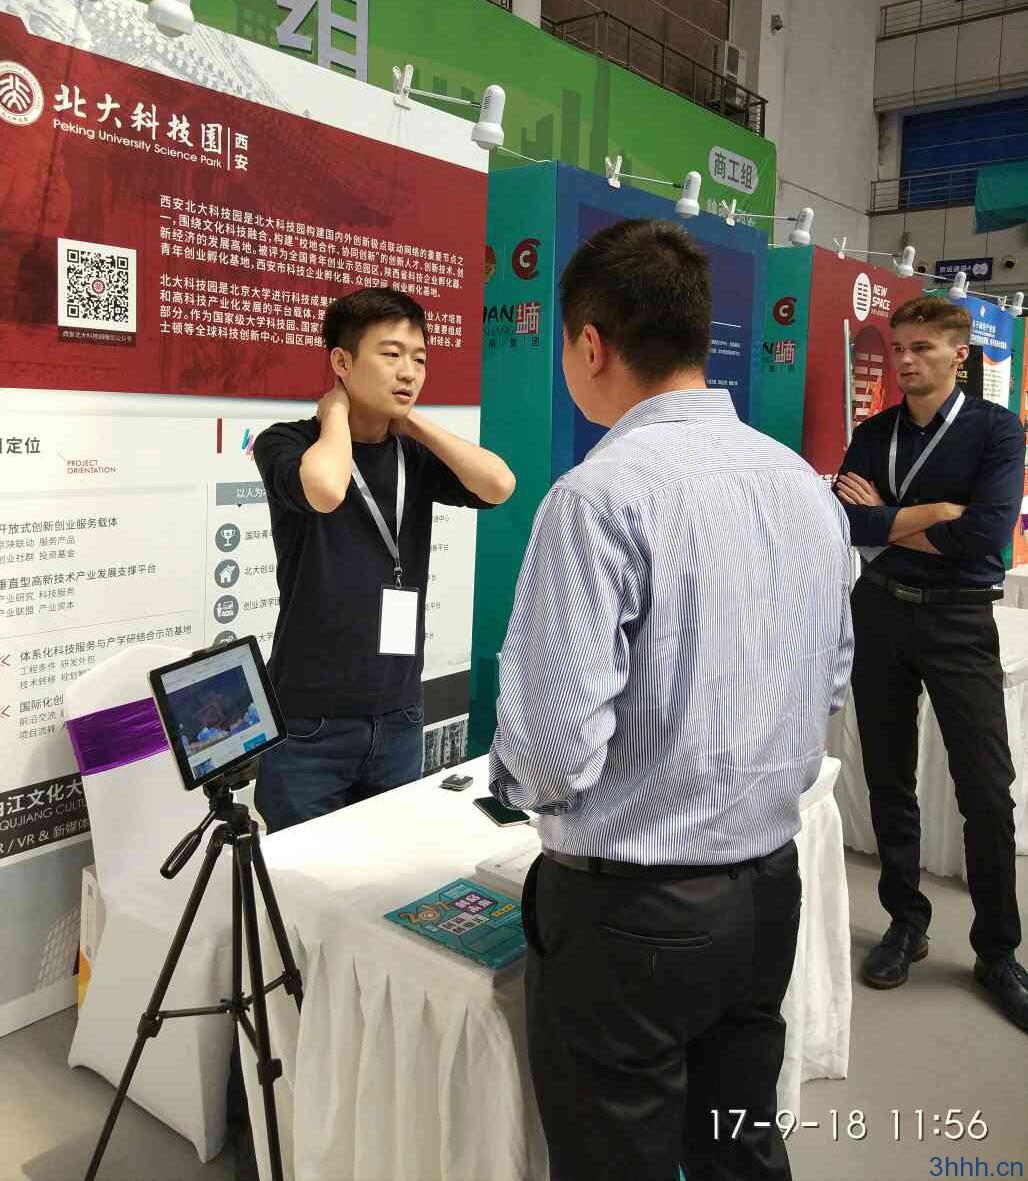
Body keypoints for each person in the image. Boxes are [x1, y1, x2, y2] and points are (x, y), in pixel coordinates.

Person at [489, 217, 854, 1181]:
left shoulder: (598, 496)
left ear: (591, 345)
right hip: (767, 889)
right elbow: (830, 679)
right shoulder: (804, 487)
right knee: (740, 1146)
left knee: (619, 1159)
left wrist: (517, 783)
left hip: (631, 916)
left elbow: (553, 754)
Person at [252, 286, 516, 832]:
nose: (409, 372)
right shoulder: (287, 443)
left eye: (419, 359)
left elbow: (499, 485)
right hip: (309, 724)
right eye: (391, 354)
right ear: (342, 362)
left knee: (384, 871)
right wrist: (336, 414)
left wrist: (413, 424)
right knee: (301, 876)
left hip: (398, 715)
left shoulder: (410, 454)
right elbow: (326, 488)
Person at [835, 296, 1028, 1031]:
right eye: (899, 348)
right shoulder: (874, 431)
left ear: (959, 356)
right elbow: (847, 521)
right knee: (888, 777)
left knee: (986, 788)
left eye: (923, 348)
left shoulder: (995, 431)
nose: (906, 360)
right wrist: (935, 514)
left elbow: (985, 538)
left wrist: (888, 517)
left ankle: (997, 951)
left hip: (958, 618)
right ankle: (905, 921)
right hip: (881, 610)